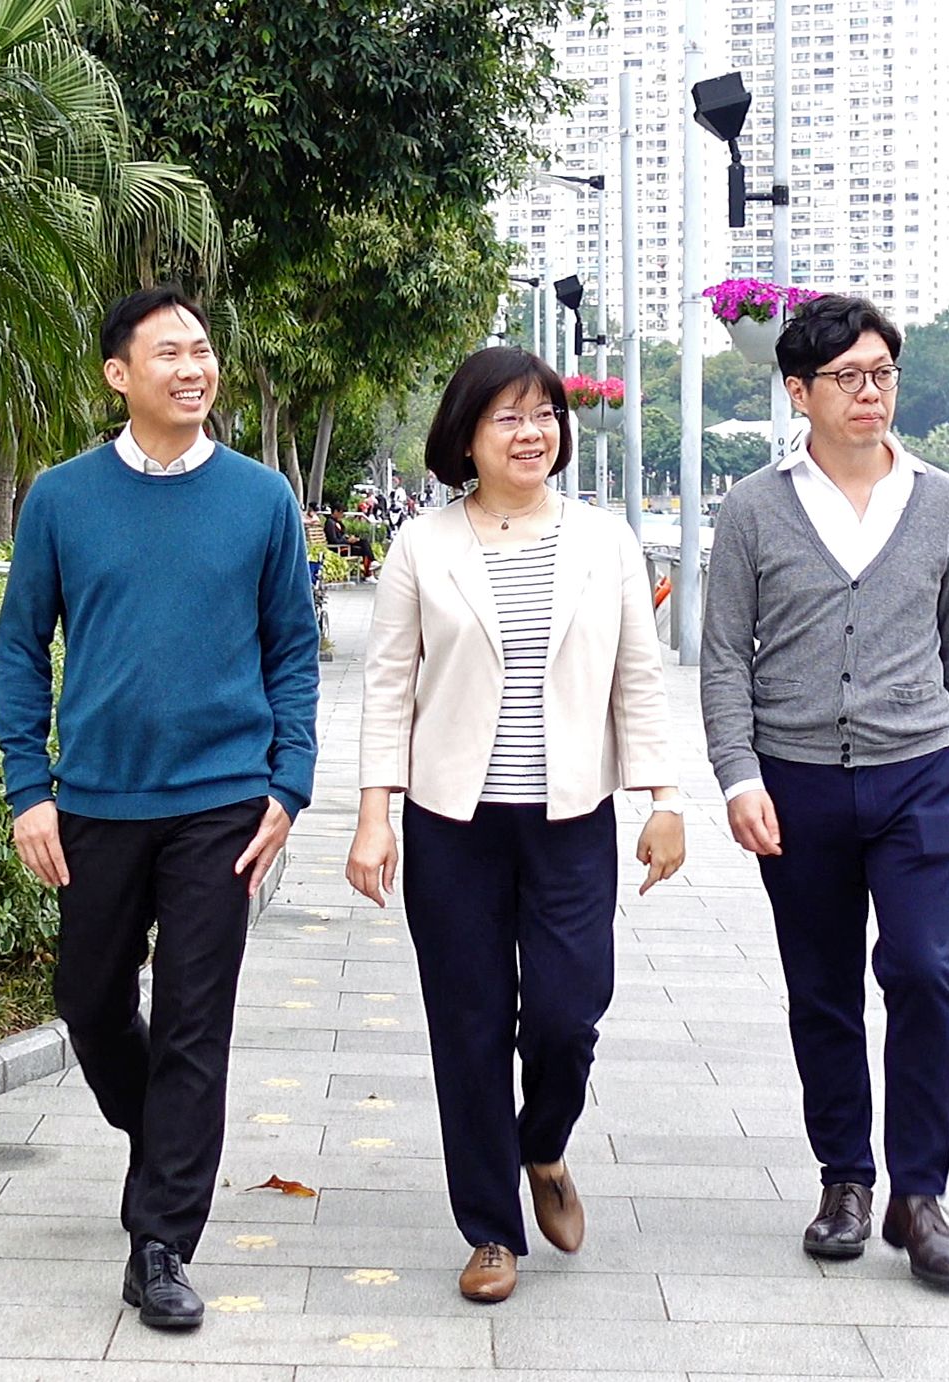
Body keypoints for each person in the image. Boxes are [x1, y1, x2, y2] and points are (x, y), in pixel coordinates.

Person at [0, 285, 320, 1330]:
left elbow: (292, 652)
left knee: (192, 1020)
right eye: (169, 352)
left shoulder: (262, 497)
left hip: (222, 801)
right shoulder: (60, 496)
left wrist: (288, 782)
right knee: (88, 998)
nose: (194, 367)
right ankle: (165, 1143)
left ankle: (161, 1240)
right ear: (117, 374)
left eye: (204, 349)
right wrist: (26, 788)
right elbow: (18, 648)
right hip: (94, 797)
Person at [345, 346, 686, 1304]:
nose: (532, 432)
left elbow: (639, 677)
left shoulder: (605, 541)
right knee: (469, 1025)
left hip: (571, 817)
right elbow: (388, 686)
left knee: (571, 1012)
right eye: (508, 417)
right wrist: (374, 816)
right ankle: (491, 1229)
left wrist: (664, 800)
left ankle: (543, 1145)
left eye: (544, 415)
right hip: (453, 820)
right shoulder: (424, 544)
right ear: (466, 436)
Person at [699, 294, 949, 1288]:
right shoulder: (750, 509)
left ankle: (919, 1194)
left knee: (920, 969)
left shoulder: (942, 502)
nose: (869, 393)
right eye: (846, 378)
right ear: (799, 391)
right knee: (821, 986)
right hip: (797, 783)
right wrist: (737, 775)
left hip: (916, 776)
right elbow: (721, 662)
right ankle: (844, 1181)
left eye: (881, 374)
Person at [324, 504, 377, 580]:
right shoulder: (330, 523)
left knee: (363, 542)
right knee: (364, 551)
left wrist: (351, 539)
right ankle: (368, 574)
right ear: (335, 512)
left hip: (344, 545)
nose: (342, 515)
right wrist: (347, 541)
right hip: (338, 549)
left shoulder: (337, 522)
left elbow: (342, 535)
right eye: (341, 513)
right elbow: (334, 540)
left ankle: (372, 562)